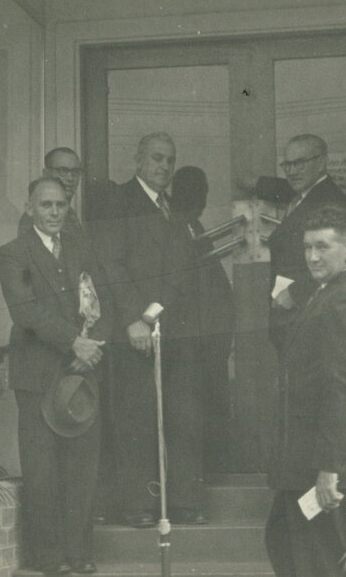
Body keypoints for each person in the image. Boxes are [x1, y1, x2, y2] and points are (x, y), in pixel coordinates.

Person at [265, 205, 346, 577]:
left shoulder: (345, 301)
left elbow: (343, 390)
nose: (313, 257)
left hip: (327, 468)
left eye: (322, 247)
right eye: (307, 248)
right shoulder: (330, 291)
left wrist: (329, 469)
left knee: (320, 562)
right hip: (309, 462)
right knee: (295, 551)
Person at [0, 177, 109, 576]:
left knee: (82, 469)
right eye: (46, 205)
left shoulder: (81, 249)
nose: (54, 212)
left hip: (82, 373)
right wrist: (73, 343)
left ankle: (79, 553)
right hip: (37, 376)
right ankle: (49, 557)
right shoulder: (13, 253)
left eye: (61, 204)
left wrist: (91, 345)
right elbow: (25, 311)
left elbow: (103, 299)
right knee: (42, 471)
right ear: (30, 208)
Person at [96, 132, 206, 528]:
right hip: (132, 332)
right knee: (135, 418)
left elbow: (182, 269)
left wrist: (153, 314)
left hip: (169, 326)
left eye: (170, 161)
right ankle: (138, 506)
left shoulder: (172, 208)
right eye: (157, 159)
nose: (163, 167)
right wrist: (133, 318)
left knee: (181, 416)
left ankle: (182, 503)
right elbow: (110, 265)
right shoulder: (118, 201)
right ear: (138, 159)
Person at [267, 134, 346, 348]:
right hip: (295, 314)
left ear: (322, 162)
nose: (292, 171)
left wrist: (295, 294)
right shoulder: (307, 195)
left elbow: (339, 261)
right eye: (287, 164)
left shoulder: (328, 199)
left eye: (299, 163)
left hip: (309, 313)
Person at [171, 166, 236, 470]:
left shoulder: (194, 226)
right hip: (194, 342)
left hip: (211, 339)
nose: (199, 199)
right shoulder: (177, 227)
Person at [19, 147, 85, 237]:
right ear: (45, 173)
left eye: (75, 171)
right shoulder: (36, 215)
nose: (70, 178)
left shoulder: (69, 213)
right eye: (62, 171)